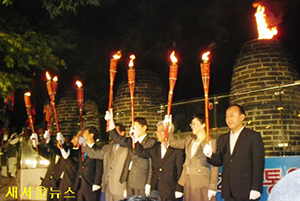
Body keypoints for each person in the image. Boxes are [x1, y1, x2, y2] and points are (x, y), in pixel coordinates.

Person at [203, 104, 265, 201]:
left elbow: (258, 164)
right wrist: (210, 155)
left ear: (242, 117)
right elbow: (219, 161)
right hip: (228, 191)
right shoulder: (223, 138)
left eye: (232, 115)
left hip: (246, 190)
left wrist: (256, 188)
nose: (229, 119)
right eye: (227, 116)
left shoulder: (253, 137)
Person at [167, 114, 219, 201]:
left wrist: (213, 186)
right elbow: (173, 142)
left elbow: (215, 166)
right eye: (191, 124)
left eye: (195, 123)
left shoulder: (211, 142)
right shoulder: (189, 140)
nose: (192, 126)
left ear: (203, 124)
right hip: (188, 181)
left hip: (202, 181)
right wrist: (169, 129)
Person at [105, 109, 156, 197]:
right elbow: (117, 138)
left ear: (144, 127)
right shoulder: (130, 140)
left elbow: (151, 164)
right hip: (129, 178)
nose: (133, 130)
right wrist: (111, 121)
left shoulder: (151, 142)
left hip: (141, 180)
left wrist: (149, 183)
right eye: (132, 128)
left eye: (136, 127)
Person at [135, 120, 184, 201]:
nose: (158, 133)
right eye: (157, 131)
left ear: (170, 131)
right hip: (155, 189)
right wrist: (135, 139)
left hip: (170, 190)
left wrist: (179, 189)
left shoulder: (177, 150)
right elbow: (141, 152)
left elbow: (180, 171)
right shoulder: (155, 148)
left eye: (162, 130)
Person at [84, 123, 128, 201]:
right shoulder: (107, 148)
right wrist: (86, 142)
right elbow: (93, 154)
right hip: (107, 187)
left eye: (115, 132)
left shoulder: (127, 148)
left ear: (122, 133)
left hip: (120, 188)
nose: (112, 135)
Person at [74, 126, 103, 201]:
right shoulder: (82, 149)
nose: (83, 135)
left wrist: (97, 183)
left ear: (91, 135)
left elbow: (99, 168)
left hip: (91, 184)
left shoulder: (98, 149)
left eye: (85, 133)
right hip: (80, 184)